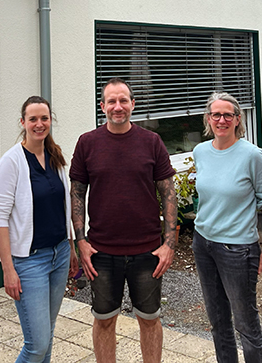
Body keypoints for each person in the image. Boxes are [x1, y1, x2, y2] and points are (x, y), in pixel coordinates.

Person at [70, 77, 177, 363]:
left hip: (148, 251)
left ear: (133, 104)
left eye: (123, 100)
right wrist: (81, 241)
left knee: (150, 319)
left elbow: (168, 193)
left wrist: (169, 243)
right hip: (102, 252)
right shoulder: (87, 143)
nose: (118, 107)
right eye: (112, 101)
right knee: (104, 320)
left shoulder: (151, 142)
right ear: (102, 106)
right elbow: (77, 194)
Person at [0, 96, 79, 363]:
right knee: (36, 345)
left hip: (60, 254)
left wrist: (71, 247)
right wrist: (8, 269)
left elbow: (63, 207)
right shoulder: (12, 162)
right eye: (33, 119)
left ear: (50, 120)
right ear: (23, 122)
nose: (39, 124)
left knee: (48, 336)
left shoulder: (55, 156)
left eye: (44, 118)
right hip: (30, 262)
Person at [192, 93, 262, 363]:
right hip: (203, 244)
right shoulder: (200, 151)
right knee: (217, 320)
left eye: (228, 115)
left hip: (237, 249)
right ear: (208, 119)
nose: (222, 120)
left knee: (246, 324)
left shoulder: (252, 155)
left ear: (238, 119)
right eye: (216, 115)